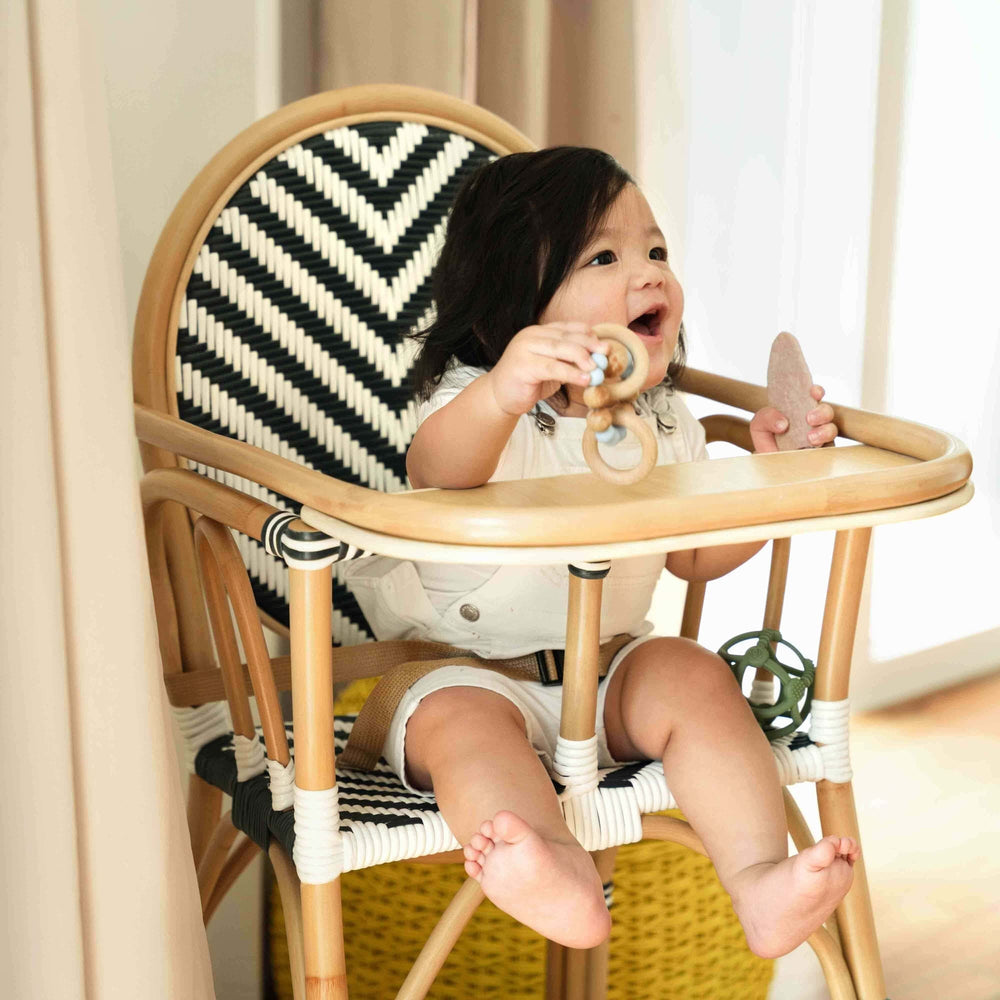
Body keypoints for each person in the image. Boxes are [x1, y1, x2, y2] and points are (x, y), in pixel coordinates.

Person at [344, 147, 857, 957]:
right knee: (466, 729)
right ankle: (553, 870)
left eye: (657, 251)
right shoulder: (481, 406)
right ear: (519, 305)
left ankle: (759, 876)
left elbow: (692, 558)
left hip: (612, 669)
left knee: (692, 672)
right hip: (464, 668)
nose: (651, 274)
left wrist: (766, 484)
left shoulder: (661, 422)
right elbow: (437, 471)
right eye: (606, 257)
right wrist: (504, 390)